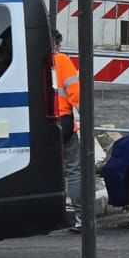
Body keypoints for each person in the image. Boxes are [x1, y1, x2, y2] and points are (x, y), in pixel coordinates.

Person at [51, 30, 83, 233]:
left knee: (46, 169)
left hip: (38, 123)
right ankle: (81, 218)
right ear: (55, 44)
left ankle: (47, 217)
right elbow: (76, 94)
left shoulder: (30, 61)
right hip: (63, 121)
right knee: (73, 170)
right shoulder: (61, 61)